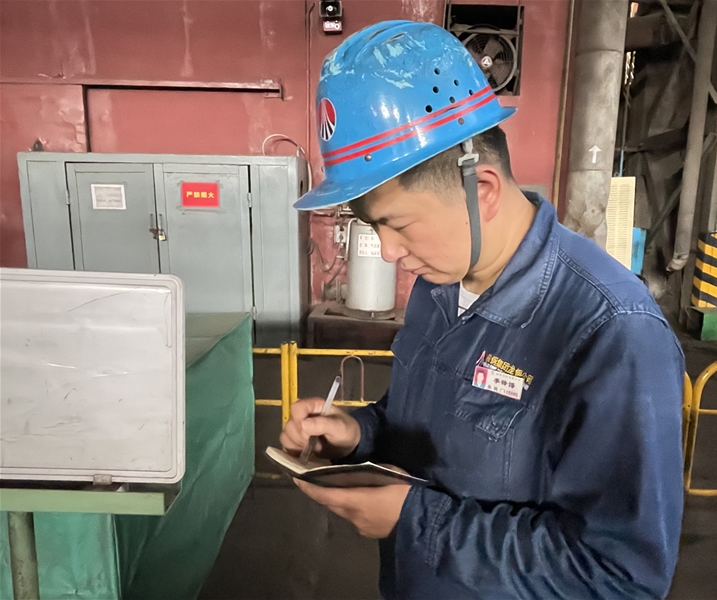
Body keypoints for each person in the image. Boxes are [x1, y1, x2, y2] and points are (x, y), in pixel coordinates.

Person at [281, 20, 685, 599]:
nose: (388, 252)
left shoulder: (611, 332)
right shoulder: (441, 282)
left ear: (484, 190)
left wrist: (416, 521)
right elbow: (424, 420)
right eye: (372, 226)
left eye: (398, 224)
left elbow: (621, 576)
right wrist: (359, 434)